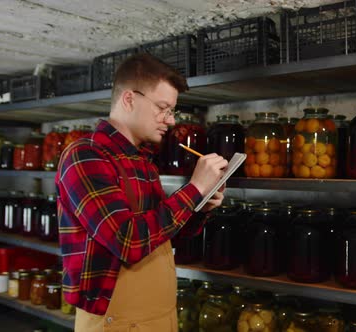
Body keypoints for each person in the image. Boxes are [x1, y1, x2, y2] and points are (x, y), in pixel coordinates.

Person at [56, 53, 228, 331]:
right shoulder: (85, 155)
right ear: (129, 99)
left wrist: (201, 203)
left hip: (158, 314)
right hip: (117, 320)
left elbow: (164, 234)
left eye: (172, 111)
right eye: (163, 108)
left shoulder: (142, 158)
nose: (170, 121)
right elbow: (128, 241)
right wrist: (194, 188)